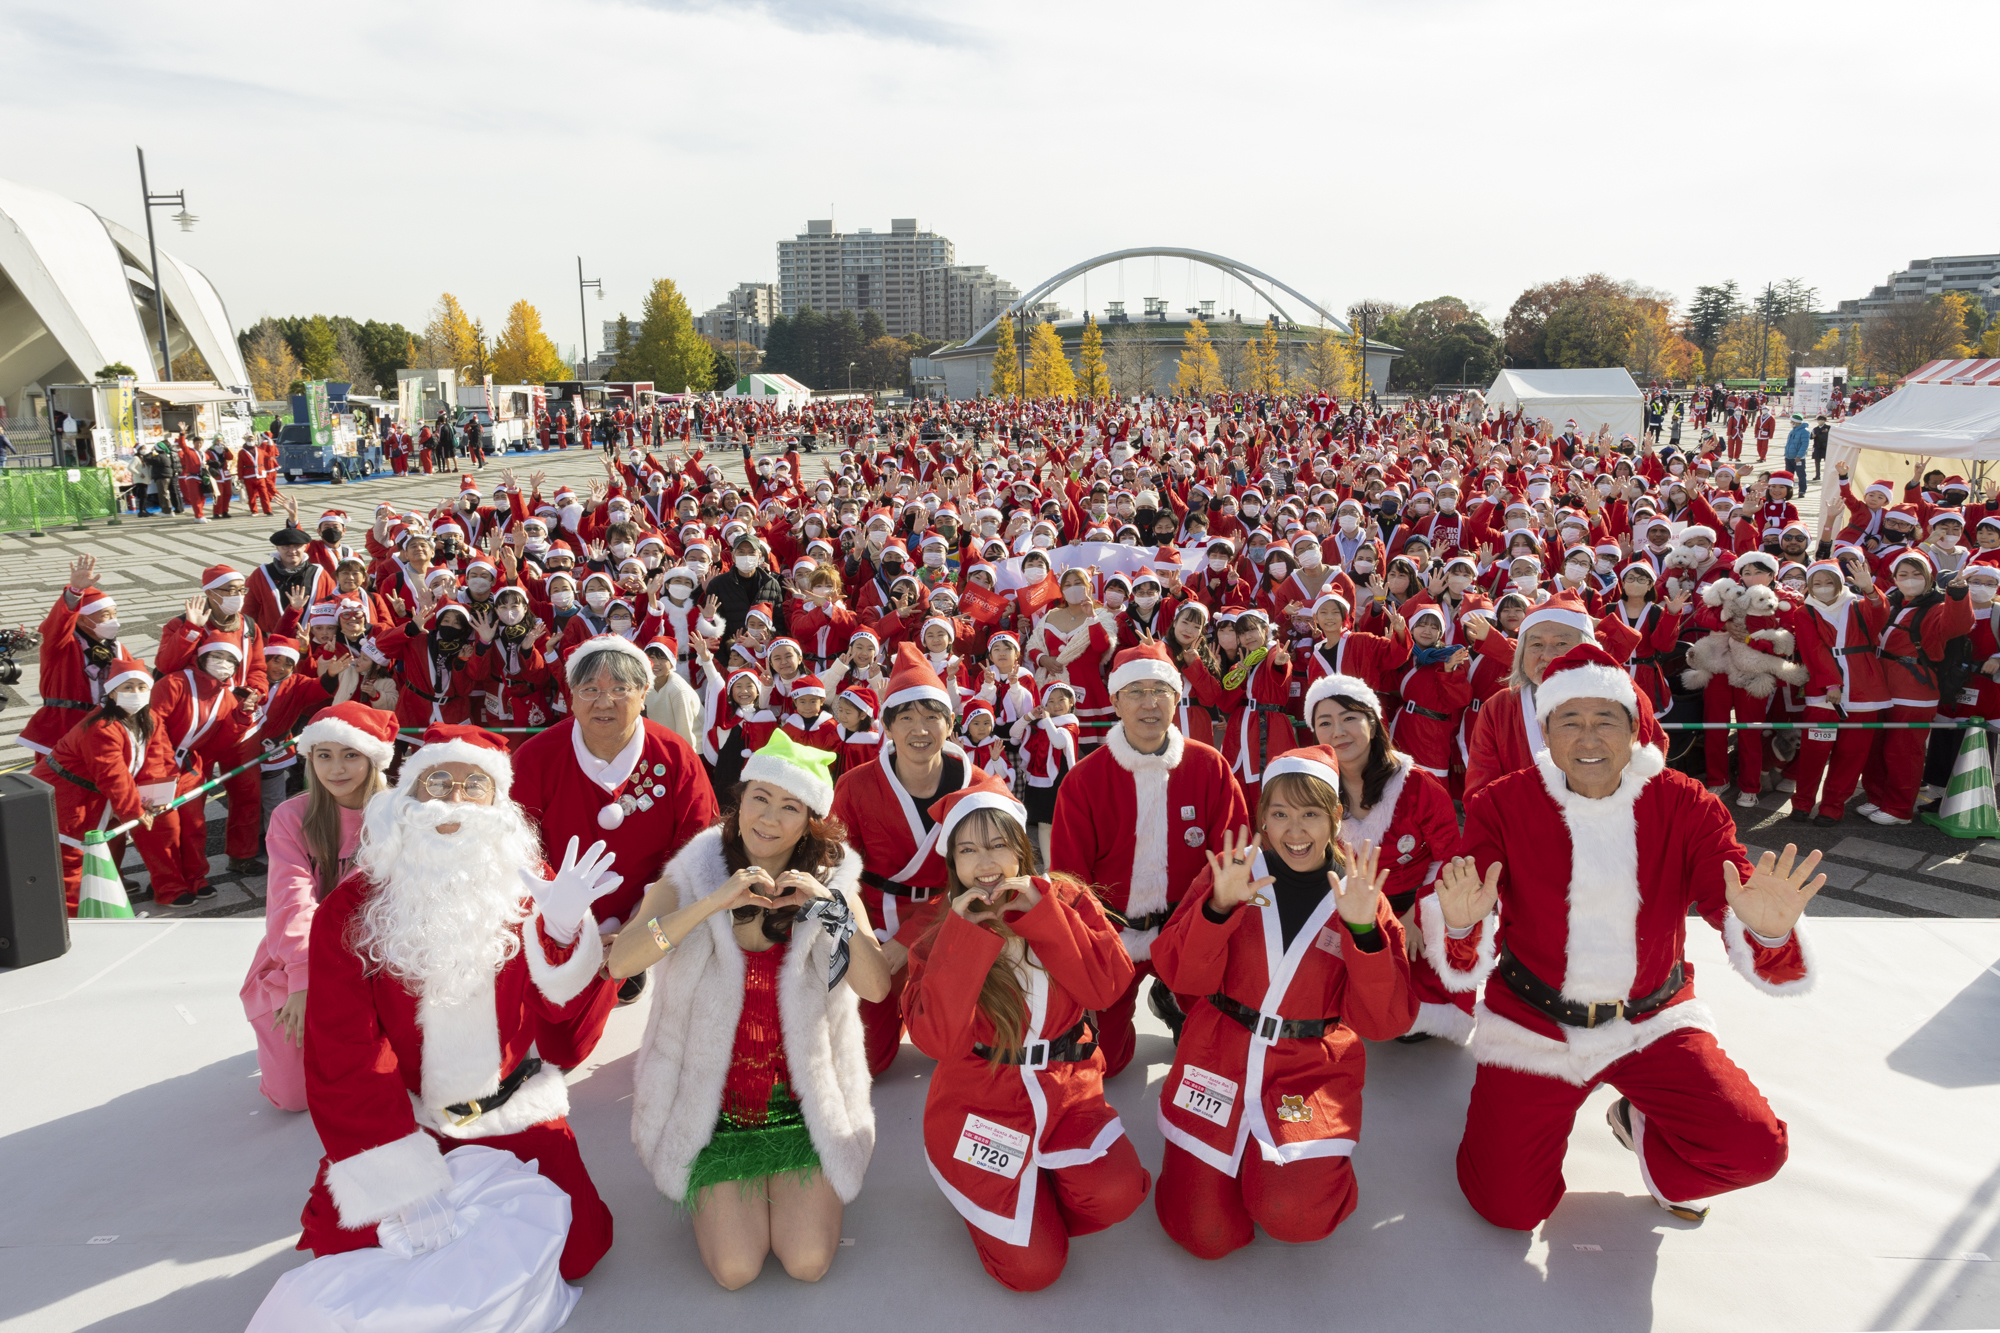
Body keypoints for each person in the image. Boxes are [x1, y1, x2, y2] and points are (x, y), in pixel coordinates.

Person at [1434, 642, 1822, 1229]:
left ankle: (1647, 1137)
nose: (1588, 739)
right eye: (1571, 721)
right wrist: (1461, 923)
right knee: (1507, 1209)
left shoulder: (1685, 804)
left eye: (1605, 721)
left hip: (1652, 1021)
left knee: (1754, 1151)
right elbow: (1464, 911)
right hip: (1534, 1025)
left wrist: (1765, 935)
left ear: (1635, 727)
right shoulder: (1502, 803)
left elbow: (1731, 891)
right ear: (1547, 731)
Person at [294, 723, 622, 1282]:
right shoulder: (350, 909)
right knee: (353, 1253)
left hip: (510, 1106)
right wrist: (401, 1177)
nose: (454, 798)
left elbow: (567, 1030)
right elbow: (344, 1054)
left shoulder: (533, 886)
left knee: (575, 1250)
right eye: (438, 781)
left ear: (499, 806)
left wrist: (564, 937)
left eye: (475, 787)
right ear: (406, 798)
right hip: (406, 1118)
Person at [619, 734, 889, 1290]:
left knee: (807, 1262)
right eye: (760, 799)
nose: (769, 818)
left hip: (801, 1107)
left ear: (810, 822)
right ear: (739, 802)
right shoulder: (692, 873)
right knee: (737, 1270)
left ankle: (790, 1186)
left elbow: (877, 987)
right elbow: (622, 961)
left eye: (790, 807)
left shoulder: (834, 885)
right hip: (711, 1111)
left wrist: (830, 908)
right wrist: (712, 903)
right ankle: (737, 1189)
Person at [1150, 746, 1416, 1260]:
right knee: (1204, 1234)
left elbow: (1383, 1021)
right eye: (1280, 814)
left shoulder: (1361, 895)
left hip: (1307, 1068)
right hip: (1217, 1057)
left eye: (1311, 813)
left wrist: (1363, 931)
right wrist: (1218, 907)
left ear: (1337, 817)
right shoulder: (1232, 875)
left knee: (1296, 1216)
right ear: (1262, 819)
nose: (1296, 831)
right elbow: (1178, 975)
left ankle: (1300, 1170)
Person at [904, 773, 1151, 1292]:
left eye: (998, 844)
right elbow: (940, 1043)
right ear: (953, 864)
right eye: (968, 850)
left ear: (1022, 847)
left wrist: (1043, 916)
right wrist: (964, 936)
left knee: (1120, 1193)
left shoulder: (1067, 899)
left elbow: (1106, 989)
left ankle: (1044, 1185)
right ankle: (997, 1200)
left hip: (1069, 1093)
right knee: (1034, 1272)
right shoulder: (938, 927)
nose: (986, 863)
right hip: (981, 1104)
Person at [1050, 642, 1248, 1074]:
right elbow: (1069, 879)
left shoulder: (1209, 767)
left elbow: (1233, 856)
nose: (1150, 703)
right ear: (1115, 701)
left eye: (1161, 690)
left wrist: (1208, 930)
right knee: (1107, 1064)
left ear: (1178, 699)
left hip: (1188, 930)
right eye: (1136, 691)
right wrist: (1090, 947)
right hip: (1114, 933)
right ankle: (1148, 996)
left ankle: (1172, 993)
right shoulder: (1085, 780)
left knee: (1217, 1053)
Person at [509, 636, 719, 1004]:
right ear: (571, 696)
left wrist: (641, 925)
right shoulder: (535, 757)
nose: (604, 702)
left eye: (620, 689)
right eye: (589, 689)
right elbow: (517, 848)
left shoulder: (675, 755)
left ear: (643, 694)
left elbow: (697, 845)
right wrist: (565, 919)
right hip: (557, 927)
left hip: (653, 923)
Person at [829, 644, 980, 1076]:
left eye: (932, 716)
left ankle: (936, 1005)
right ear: (888, 727)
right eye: (906, 717)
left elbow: (984, 882)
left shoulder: (979, 787)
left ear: (950, 724)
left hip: (949, 919)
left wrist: (907, 941)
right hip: (871, 918)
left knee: (954, 1049)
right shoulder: (856, 786)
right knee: (869, 1062)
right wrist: (863, 942)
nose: (920, 729)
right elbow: (835, 873)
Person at [239, 703, 396, 1112]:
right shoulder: (292, 817)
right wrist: (303, 978)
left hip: (376, 962)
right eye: (323, 755)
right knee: (292, 1097)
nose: (336, 769)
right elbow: (291, 900)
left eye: (350, 755)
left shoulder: (399, 815)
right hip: (303, 959)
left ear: (372, 759)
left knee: (382, 1083)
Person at [1304, 673, 1466, 1043]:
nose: (1338, 731)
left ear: (1373, 723)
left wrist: (1417, 916)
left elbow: (1450, 858)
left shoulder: (1418, 784)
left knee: (1408, 1015)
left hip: (1415, 903)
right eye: (1324, 722)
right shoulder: (1317, 788)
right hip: (1349, 902)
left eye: (1349, 718)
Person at [1463, 591, 1664, 798]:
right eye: (1536, 645)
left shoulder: (1616, 699)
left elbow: (1651, 786)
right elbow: (1481, 793)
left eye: (1562, 644)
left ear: (1588, 649)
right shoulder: (1499, 707)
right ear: (1521, 653)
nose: (1548, 655)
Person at [30, 661, 186, 913]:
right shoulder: (101, 727)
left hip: (101, 798)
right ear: (112, 692)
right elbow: (112, 775)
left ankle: (102, 902)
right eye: (128, 687)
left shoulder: (150, 717)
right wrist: (135, 812)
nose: (135, 693)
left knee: (107, 849)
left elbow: (159, 758)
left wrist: (158, 795)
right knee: (71, 860)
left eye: (141, 686)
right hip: (68, 798)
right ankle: (72, 920)